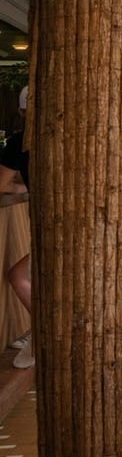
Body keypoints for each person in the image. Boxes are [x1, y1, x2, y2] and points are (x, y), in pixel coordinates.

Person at [0, 118, 29, 368]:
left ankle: (44, 334)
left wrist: (21, 187)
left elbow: (1, 183)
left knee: (19, 276)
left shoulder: (21, 140)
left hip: (52, 230)